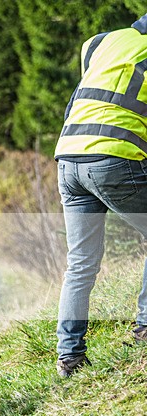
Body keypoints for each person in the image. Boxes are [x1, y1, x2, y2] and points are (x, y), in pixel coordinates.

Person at [54, 13, 147, 377]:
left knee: (80, 262)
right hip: (112, 158)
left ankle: (70, 356)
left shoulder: (100, 42)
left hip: (68, 158)